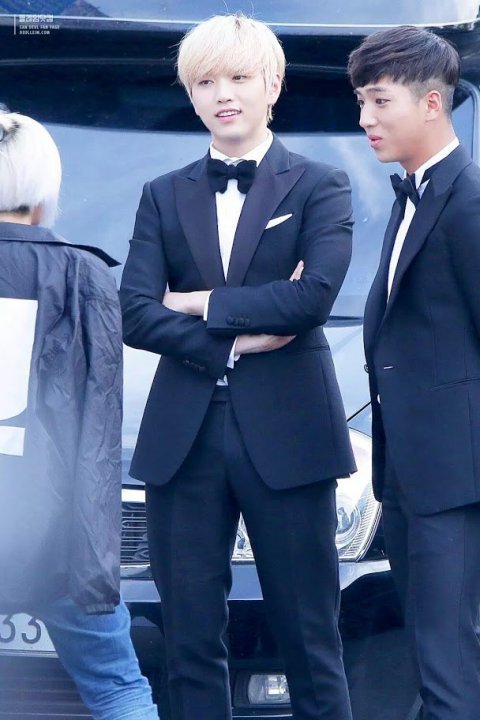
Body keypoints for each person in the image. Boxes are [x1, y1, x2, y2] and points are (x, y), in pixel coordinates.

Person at [120, 13, 356, 720]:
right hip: (182, 436)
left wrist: (199, 303)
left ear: (272, 85)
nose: (223, 94)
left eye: (239, 77)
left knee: (311, 639)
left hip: (291, 433)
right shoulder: (162, 192)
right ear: (191, 95)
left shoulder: (322, 183)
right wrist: (233, 339)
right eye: (205, 82)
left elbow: (311, 300)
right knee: (189, 643)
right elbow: (134, 312)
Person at [0, 109, 159, 720]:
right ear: (45, 192)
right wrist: (94, 560)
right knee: (118, 688)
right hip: (57, 535)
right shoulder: (84, 274)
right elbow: (98, 428)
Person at [348, 25, 480, 720]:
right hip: (407, 477)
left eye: (379, 101)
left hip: (455, 482)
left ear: (432, 103)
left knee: (448, 667)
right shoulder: (412, 196)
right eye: (361, 102)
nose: (365, 119)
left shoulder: (469, 201)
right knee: (433, 662)